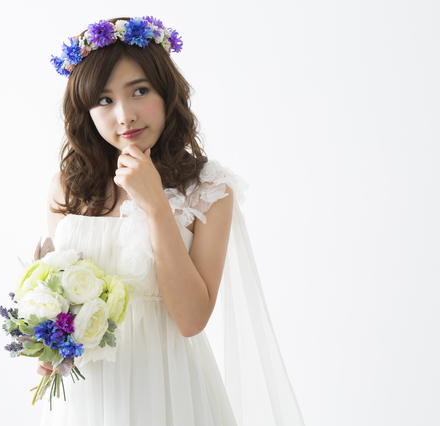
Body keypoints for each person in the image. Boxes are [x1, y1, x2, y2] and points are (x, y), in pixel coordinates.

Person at [39, 16, 304, 425]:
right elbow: (60, 299)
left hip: (168, 391)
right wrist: (48, 345)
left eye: (139, 91)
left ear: (166, 92)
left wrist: (155, 204)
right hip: (87, 396)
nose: (125, 115)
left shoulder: (209, 189)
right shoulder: (67, 186)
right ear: (86, 111)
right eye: (104, 100)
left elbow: (191, 320)